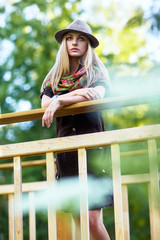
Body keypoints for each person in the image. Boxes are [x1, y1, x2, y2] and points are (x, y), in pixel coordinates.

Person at [40, 19, 112, 240]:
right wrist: (73, 96)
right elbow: (45, 104)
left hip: (93, 150)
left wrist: (60, 100)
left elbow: (98, 94)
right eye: (69, 38)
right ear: (64, 43)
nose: (74, 42)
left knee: (91, 220)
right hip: (67, 153)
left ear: (88, 45)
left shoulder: (95, 71)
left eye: (81, 38)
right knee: (79, 219)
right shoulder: (53, 79)